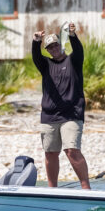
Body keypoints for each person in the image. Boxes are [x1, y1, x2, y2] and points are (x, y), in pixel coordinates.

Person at [32, 22, 90, 189]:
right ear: (47, 50)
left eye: (56, 45)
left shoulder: (74, 61)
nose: (54, 49)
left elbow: (78, 50)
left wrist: (72, 35)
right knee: (50, 153)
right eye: (50, 47)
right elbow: (36, 56)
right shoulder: (45, 65)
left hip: (72, 115)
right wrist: (36, 42)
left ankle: (86, 188)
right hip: (49, 116)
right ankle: (53, 189)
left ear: (61, 45)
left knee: (71, 150)